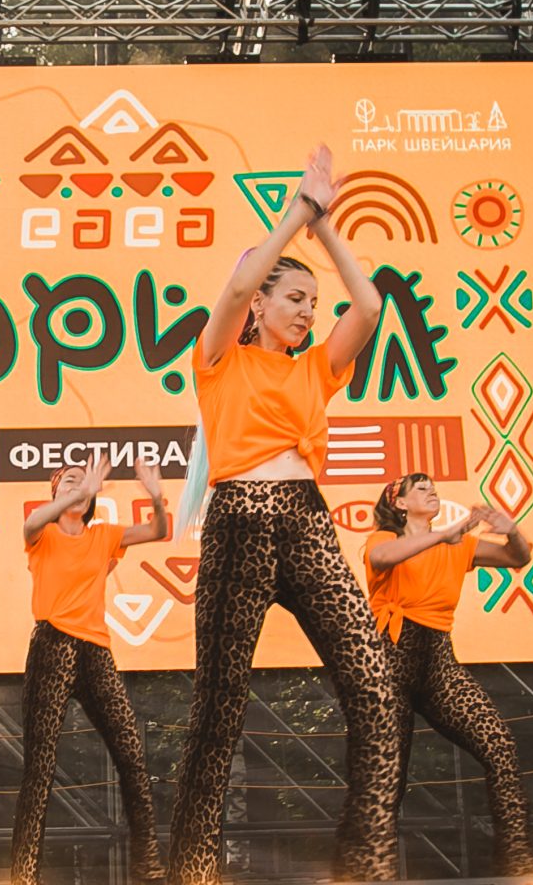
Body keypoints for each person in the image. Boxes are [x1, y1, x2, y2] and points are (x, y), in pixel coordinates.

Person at [168, 143, 400, 884]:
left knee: (376, 689)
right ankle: (193, 873)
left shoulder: (316, 369)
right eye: (295, 298)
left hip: (306, 521)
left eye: (313, 304)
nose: (307, 312)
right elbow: (238, 282)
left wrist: (325, 225)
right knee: (218, 711)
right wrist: (297, 212)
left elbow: (369, 307)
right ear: (261, 307)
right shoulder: (218, 360)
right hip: (239, 520)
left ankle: (363, 866)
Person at [366, 476, 533, 878]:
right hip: (389, 661)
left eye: (433, 487)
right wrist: (444, 535)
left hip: (438, 663)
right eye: (420, 488)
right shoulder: (384, 537)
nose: (432, 492)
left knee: (499, 744)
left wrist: (511, 530)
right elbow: (382, 558)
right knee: (386, 776)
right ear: (400, 504)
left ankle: (517, 856)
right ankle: (372, 870)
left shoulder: (459, 545)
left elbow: (517, 558)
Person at [11, 457, 170, 884]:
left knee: (132, 754)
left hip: (96, 651)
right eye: (69, 480)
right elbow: (30, 523)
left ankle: (147, 866)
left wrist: (156, 498)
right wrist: (76, 492)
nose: (79, 486)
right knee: (40, 767)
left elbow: (158, 531)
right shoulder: (43, 534)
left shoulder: (103, 536)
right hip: (52, 647)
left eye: (84, 482)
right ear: (56, 492)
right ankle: (24, 876)